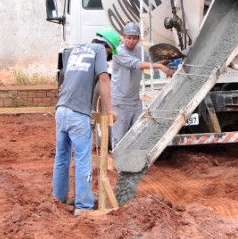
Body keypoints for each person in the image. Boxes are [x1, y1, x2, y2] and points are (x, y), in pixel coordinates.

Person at [53, 29, 119, 216]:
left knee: (62, 158)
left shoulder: (75, 49)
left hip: (61, 110)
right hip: (77, 114)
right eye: (109, 53)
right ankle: (83, 207)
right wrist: (109, 109)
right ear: (107, 47)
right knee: (83, 159)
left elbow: (65, 78)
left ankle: (58, 200)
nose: (107, 57)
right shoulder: (98, 51)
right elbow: (104, 78)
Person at [110, 22, 173, 152]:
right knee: (119, 137)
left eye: (134, 38)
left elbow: (149, 63)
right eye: (128, 37)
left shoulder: (139, 50)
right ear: (123, 37)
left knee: (138, 133)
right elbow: (137, 64)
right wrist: (160, 66)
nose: (131, 41)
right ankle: (120, 166)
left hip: (135, 100)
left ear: (138, 38)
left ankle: (133, 163)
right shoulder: (118, 52)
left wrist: (166, 60)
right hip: (120, 102)